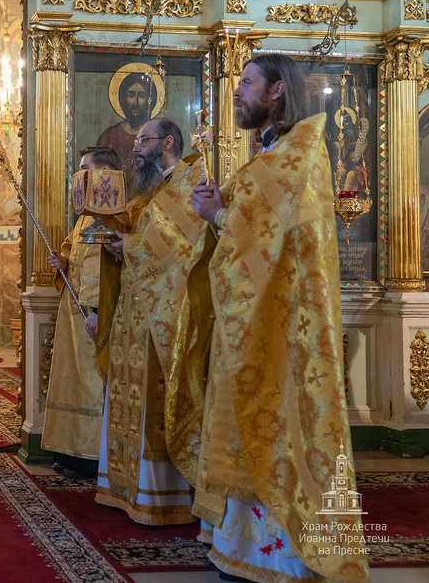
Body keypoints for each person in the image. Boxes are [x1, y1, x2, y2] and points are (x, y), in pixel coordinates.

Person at [190, 54, 370, 582]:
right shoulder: (270, 156)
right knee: (250, 422)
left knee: (283, 424)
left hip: (287, 325)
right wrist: (222, 207)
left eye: (246, 83)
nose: (238, 92)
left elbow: (276, 243)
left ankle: (291, 557)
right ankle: (241, 550)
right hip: (253, 318)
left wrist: (218, 215)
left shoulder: (300, 154)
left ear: (276, 92)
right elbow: (258, 233)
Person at [94, 118, 212, 525]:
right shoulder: (152, 189)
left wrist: (133, 246)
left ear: (167, 142)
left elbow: (187, 247)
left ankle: (162, 494)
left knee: (154, 398)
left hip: (165, 314)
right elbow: (145, 240)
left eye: (142, 141)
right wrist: (118, 244)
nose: (135, 148)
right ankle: (125, 488)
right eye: (134, 140)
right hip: (134, 312)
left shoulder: (189, 182)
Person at [42, 146, 121, 479]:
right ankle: (69, 452)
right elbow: (70, 249)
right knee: (70, 385)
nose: (78, 177)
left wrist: (99, 311)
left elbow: (116, 269)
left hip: (95, 316)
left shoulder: (118, 215)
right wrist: (63, 261)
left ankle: (92, 457)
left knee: (93, 386)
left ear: (102, 172)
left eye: (84, 169)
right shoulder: (86, 216)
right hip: (72, 315)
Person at [96, 72, 157, 183]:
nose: (135, 103)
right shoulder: (109, 136)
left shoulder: (156, 135)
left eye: (142, 96)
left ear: (150, 101)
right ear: (123, 99)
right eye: (131, 95)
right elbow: (100, 175)